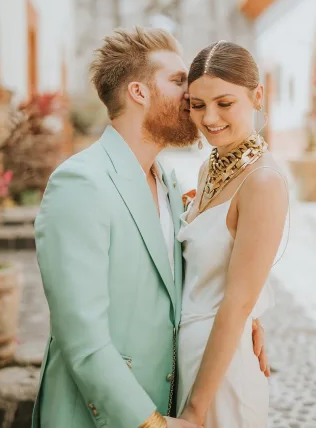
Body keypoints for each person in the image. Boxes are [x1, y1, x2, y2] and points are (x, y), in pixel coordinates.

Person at [31, 28, 268, 428]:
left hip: (167, 403)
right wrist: (151, 424)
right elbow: (83, 340)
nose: (191, 93)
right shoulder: (80, 183)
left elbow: (187, 279)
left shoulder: (171, 184)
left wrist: (245, 318)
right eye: (178, 81)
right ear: (139, 92)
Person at [176, 40, 289, 428]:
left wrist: (194, 411)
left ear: (257, 96)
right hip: (188, 358)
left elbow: (237, 304)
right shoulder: (210, 167)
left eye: (225, 103)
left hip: (222, 377)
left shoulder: (263, 183)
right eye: (197, 104)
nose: (210, 118)